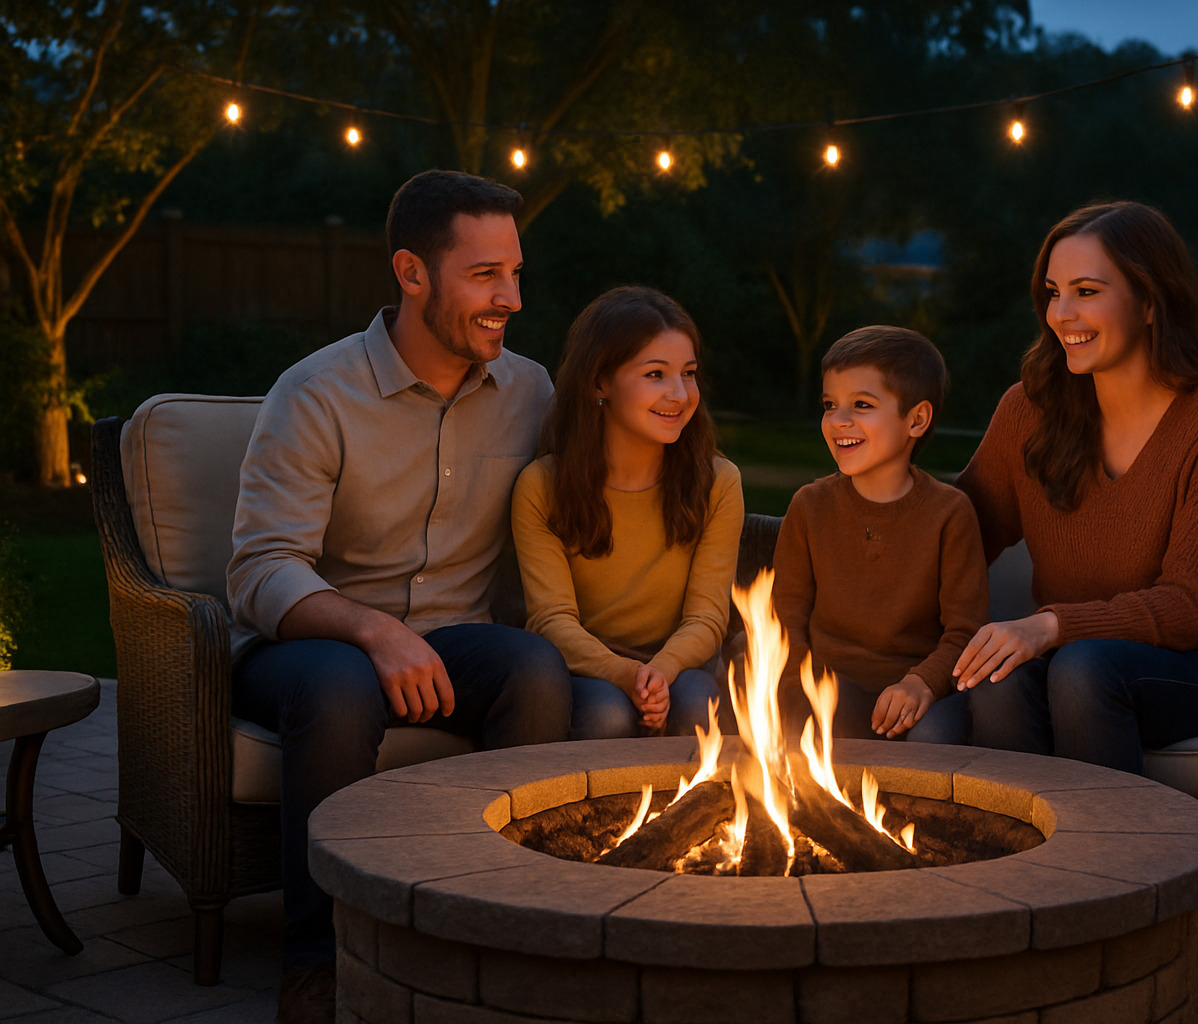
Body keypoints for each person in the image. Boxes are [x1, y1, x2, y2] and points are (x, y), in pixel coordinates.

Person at [227, 170, 571, 1024]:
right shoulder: (316, 394)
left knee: (533, 666)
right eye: (486, 275)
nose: (511, 298)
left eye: (517, 274)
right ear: (412, 272)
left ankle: (494, 927)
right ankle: (321, 959)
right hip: (312, 643)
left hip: (457, 636)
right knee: (339, 689)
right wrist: (373, 633)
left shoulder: (530, 393)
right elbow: (260, 569)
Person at [952, 200, 1198, 771]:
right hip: (1081, 656)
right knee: (996, 677)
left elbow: (1188, 606)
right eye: (1053, 291)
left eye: (1086, 291)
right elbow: (957, 531)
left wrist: (1051, 625)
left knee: (1083, 670)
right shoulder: (1030, 409)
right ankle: (1025, 852)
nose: (1062, 313)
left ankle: (1120, 855)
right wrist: (861, 500)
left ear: (1151, 300)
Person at [512, 286, 743, 739]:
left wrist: (659, 670)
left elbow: (707, 618)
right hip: (589, 667)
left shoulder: (718, 481)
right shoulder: (542, 486)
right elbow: (551, 619)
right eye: (655, 374)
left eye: (689, 373)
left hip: (680, 662)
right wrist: (624, 675)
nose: (679, 393)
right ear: (600, 382)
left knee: (699, 702)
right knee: (607, 715)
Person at [772, 326, 988, 743]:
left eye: (862, 405)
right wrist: (805, 686)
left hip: (920, 691)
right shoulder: (809, 506)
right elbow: (787, 618)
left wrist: (921, 683)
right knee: (822, 723)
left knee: (937, 738)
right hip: (827, 689)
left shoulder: (950, 513)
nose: (839, 420)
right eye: (830, 404)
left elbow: (965, 630)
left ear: (917, 419)